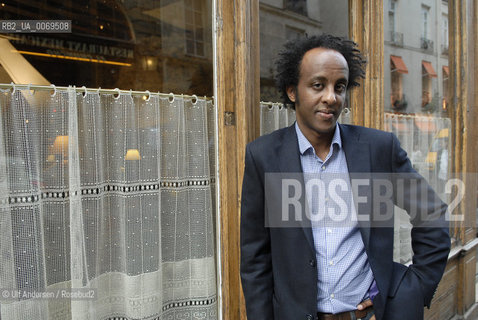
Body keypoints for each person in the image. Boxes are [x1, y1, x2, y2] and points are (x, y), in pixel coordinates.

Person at [240, 34, 450, 320]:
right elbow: (255, 259)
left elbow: (432, 213)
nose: (330, 97)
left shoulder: (378, 150)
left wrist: (415, 286)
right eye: (318, 85)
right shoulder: (263, 157)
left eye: (339, 87)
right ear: (292, 91)